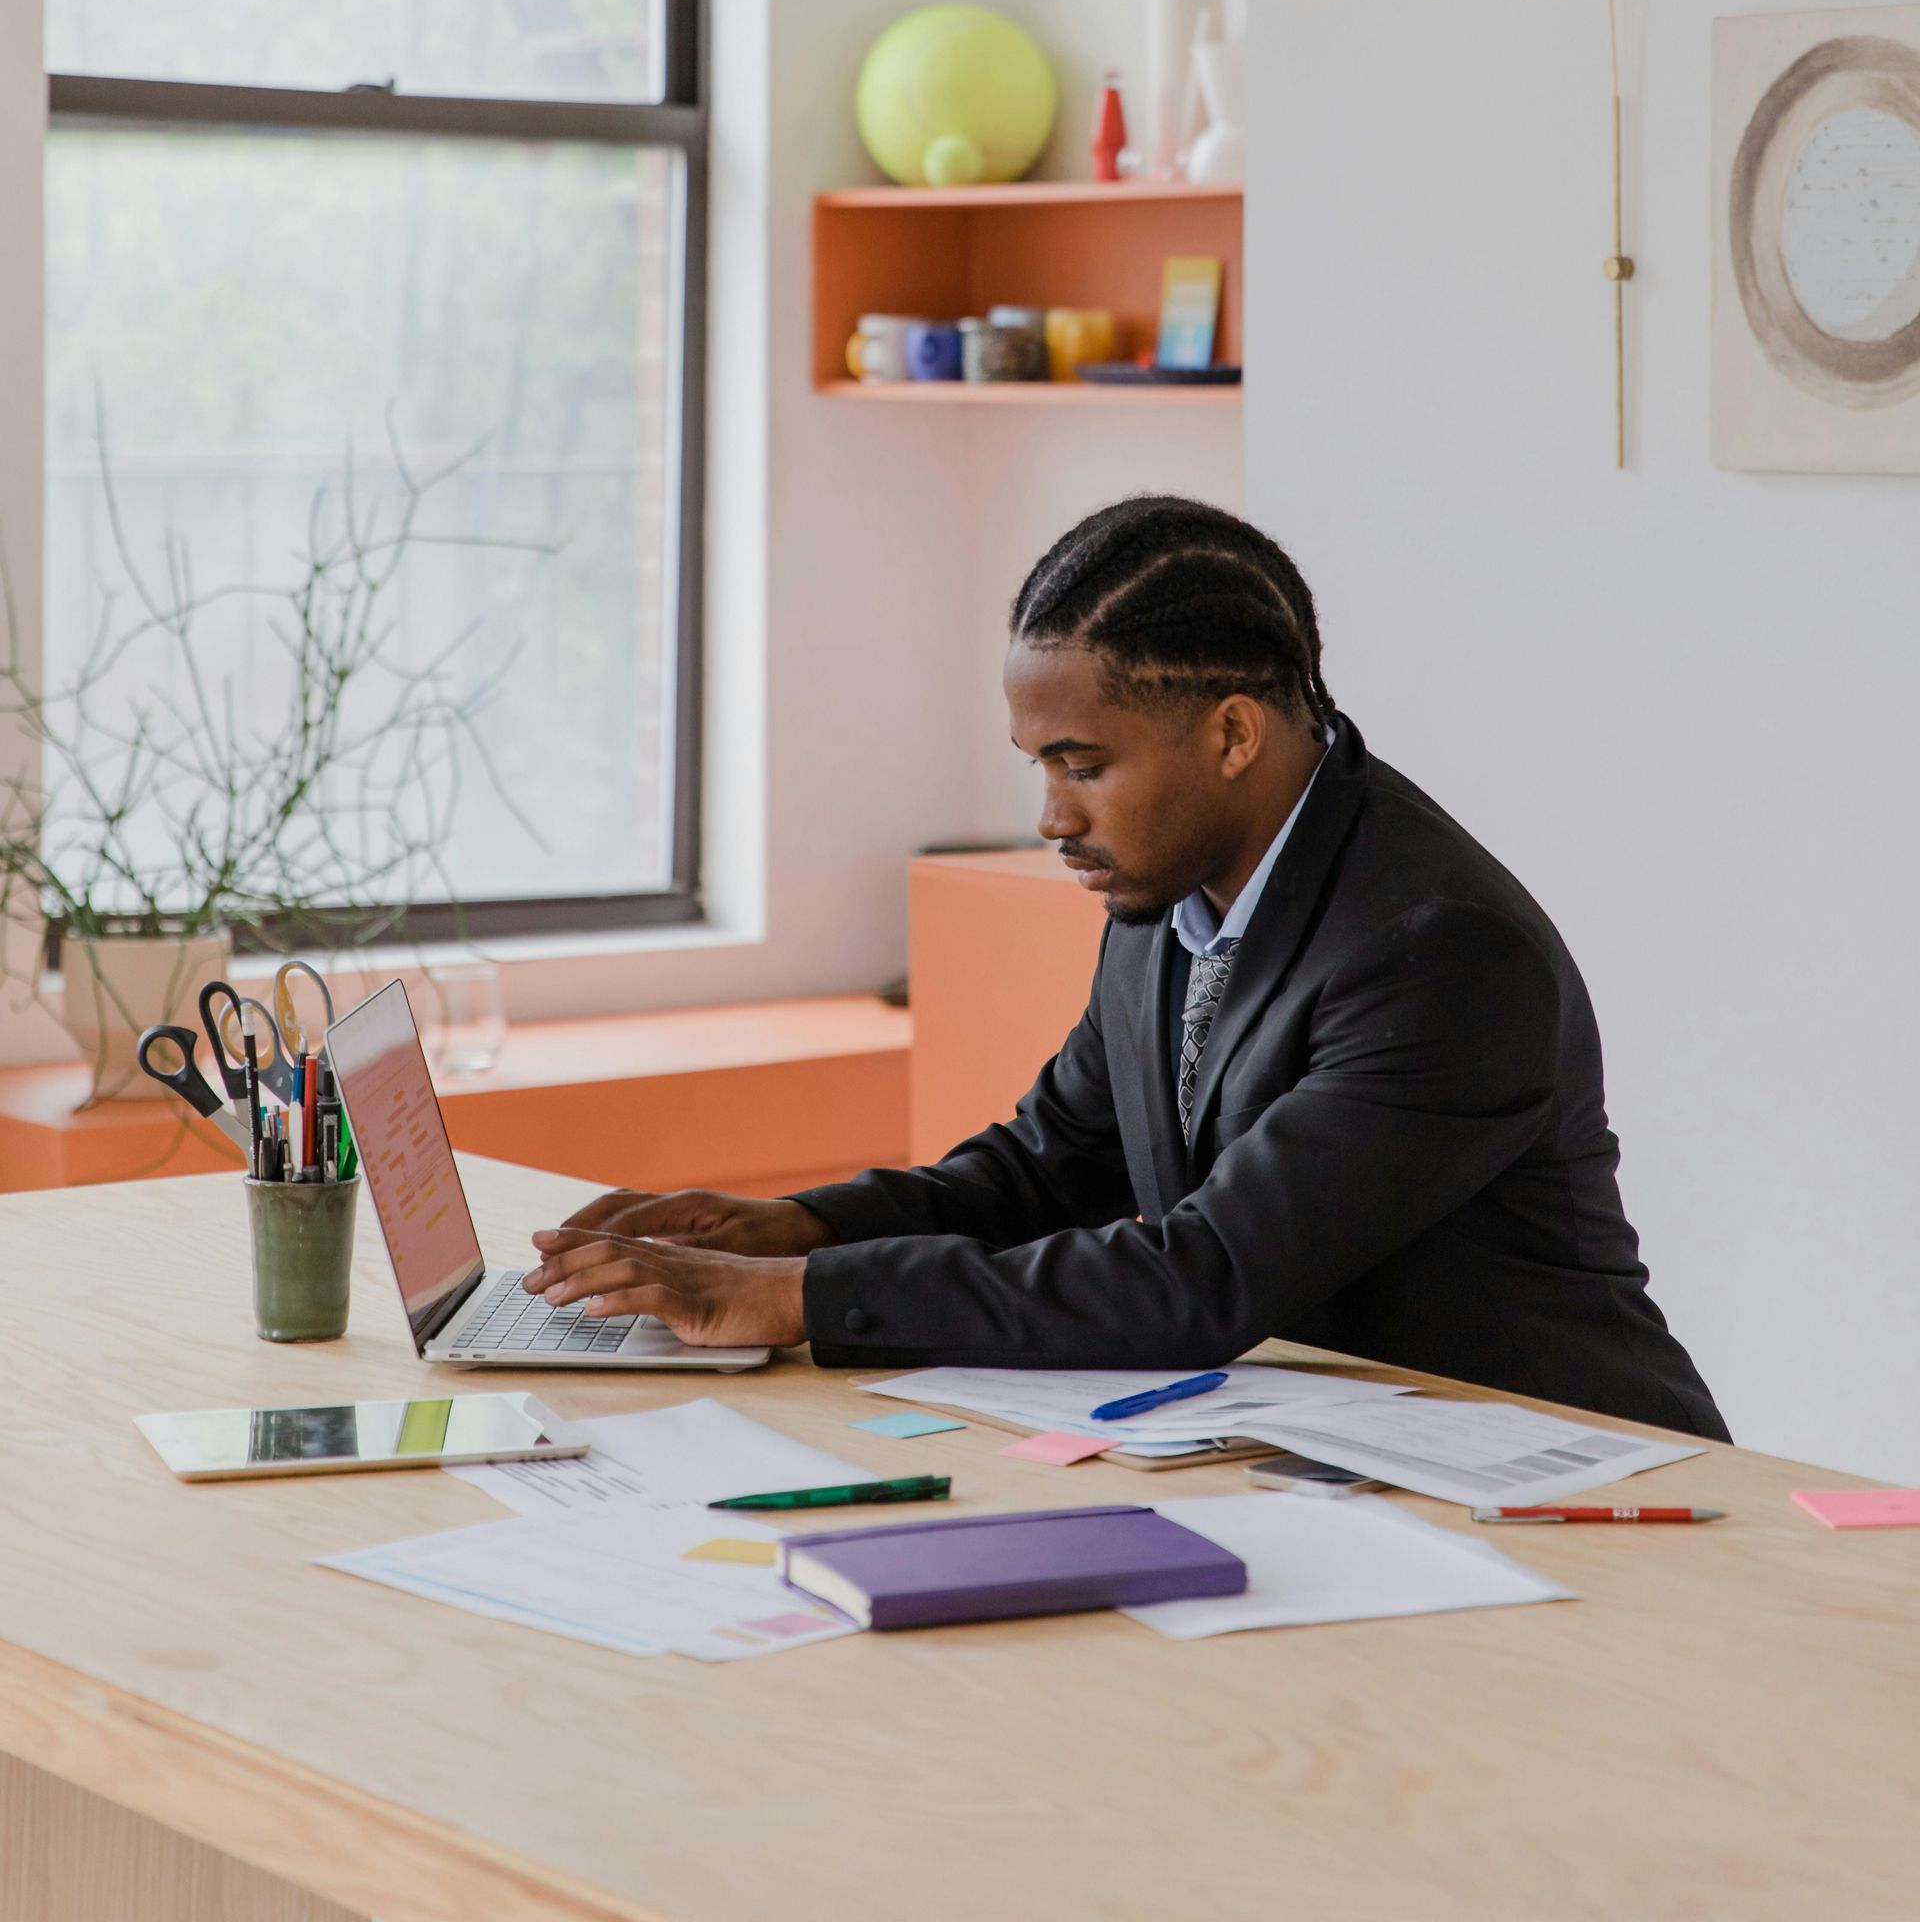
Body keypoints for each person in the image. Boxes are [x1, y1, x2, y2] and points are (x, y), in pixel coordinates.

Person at [526, 496, 1728, 1437]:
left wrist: (798, 1300)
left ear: (1232, 733)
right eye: (1037, 764)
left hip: (1574, 1475)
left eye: (1081, 764)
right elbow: (1052, 1165)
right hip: (1354, 1460)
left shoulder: (1442, 954)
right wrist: (789, 1228)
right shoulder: (1172, 889)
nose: (1051, 815)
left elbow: (1199, 1278)